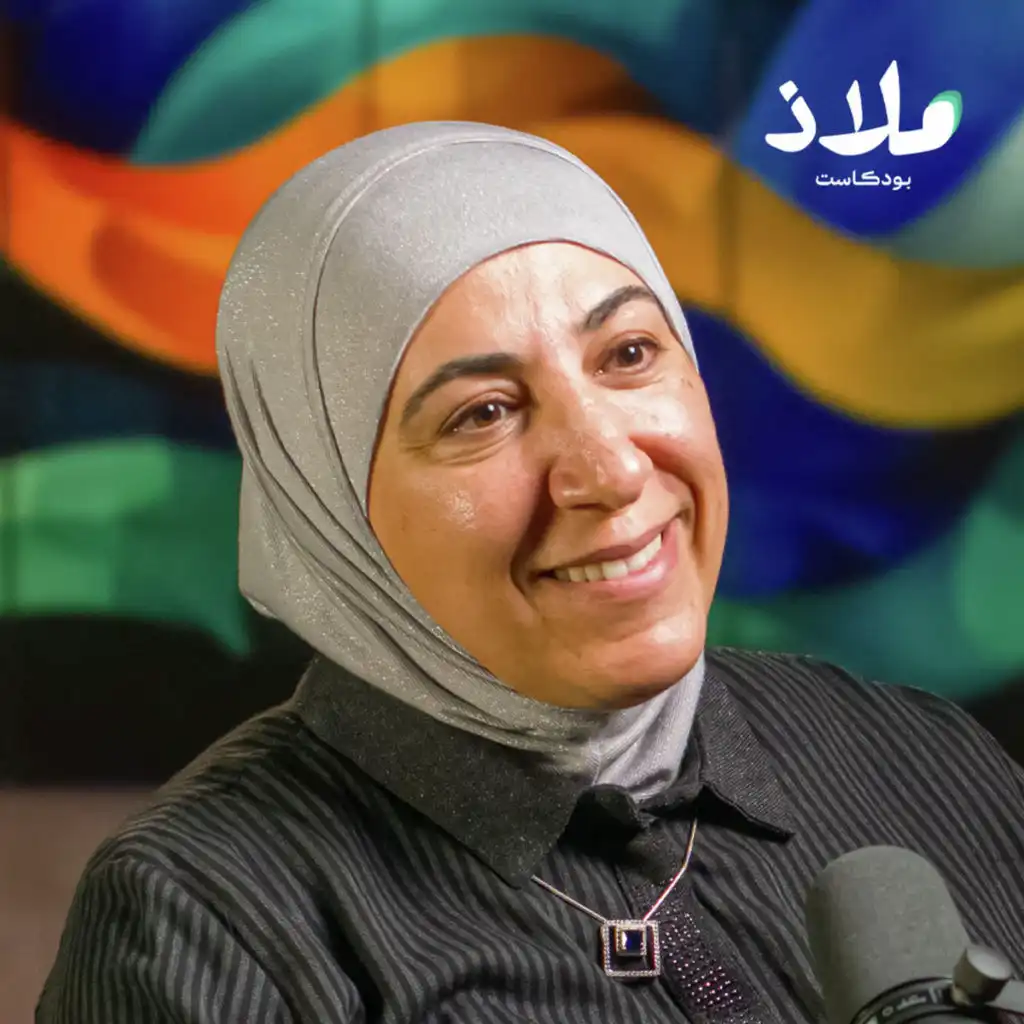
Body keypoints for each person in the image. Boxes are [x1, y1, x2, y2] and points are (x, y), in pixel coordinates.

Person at [37, 122, 1024, 1024]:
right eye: (482, 413)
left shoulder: (919, 756)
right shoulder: (207, 917)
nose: (611, 469)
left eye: (628, 353)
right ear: (326, 500)